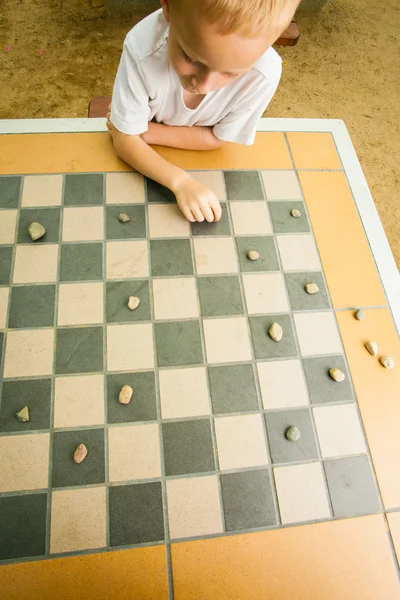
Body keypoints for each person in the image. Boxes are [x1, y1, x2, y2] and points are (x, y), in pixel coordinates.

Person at [107, 0, 300, 222]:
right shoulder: (142, 47)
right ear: (168, 7)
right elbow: (123, 142)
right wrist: (180, 182)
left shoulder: (263, 73)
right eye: (191, 58)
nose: (204, 85)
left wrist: (145, 132)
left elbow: (218, 139)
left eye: (230, 74)